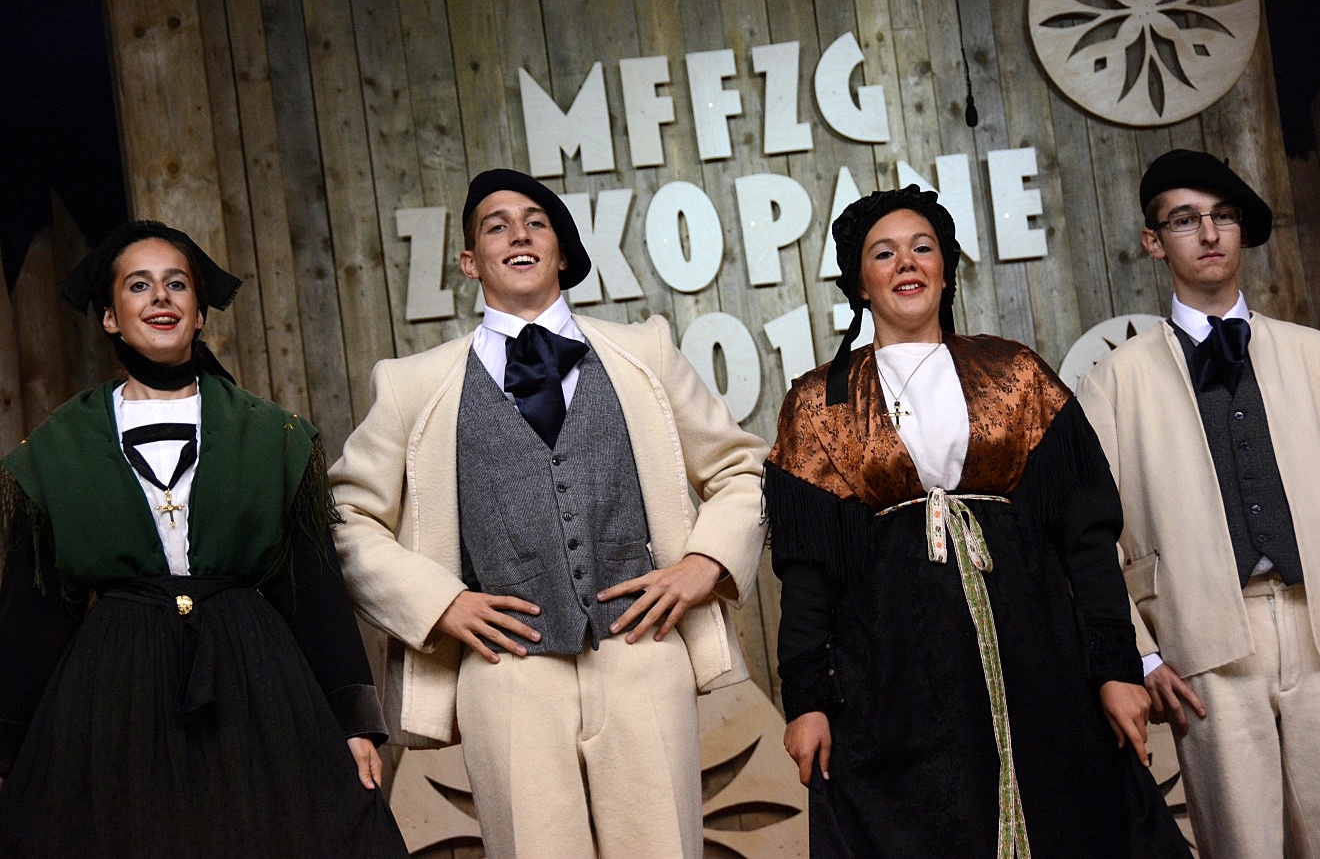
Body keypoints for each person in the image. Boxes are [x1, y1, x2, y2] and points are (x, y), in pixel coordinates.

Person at [329, 169, 768, 857]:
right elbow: (345, 517)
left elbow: (742, 468)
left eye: (536, 223)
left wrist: (704, 563)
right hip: (506, 673)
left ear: (561, 252)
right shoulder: (413, 384)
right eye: (496, 226)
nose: (519, 235)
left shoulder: (643, 353)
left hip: (643, 653)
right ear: (470, 262)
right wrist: (438, 604)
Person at [766, 185, 1189, 857]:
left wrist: (1116, 667)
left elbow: (1085, 541)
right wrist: (807, 701)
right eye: (884, 253)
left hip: (1040, 662)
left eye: (922, 247)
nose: (907, 263)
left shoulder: (1014, 374)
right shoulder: (820, 404)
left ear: (944, 270)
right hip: (892, 682)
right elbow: (807, 574)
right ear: (860, 284)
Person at [0, 222, 407, 857]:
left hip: (255, 675)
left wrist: (353, 721)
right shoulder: (58, 449)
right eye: (139, 286)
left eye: (177, 284)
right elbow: (37, 607)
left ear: (198, 313)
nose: (160, 297)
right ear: (110, 317)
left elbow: (311, 588)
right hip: (116, 686)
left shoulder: (271, 435)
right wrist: (9, 744)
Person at [1077, 149, 1320, 859]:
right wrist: (1139, 657)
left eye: (1222, 216)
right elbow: (1089, 538)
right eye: (1184, 219)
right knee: (1241, 846)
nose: (1207, 233)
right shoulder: (1114, 382)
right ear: (1152, 241)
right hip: (1202, 640)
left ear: (1241, 232)